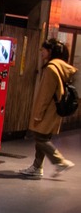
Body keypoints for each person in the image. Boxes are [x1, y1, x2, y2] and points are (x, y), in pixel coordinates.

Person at [19, 38, 77, 179]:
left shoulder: (51, 68)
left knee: (40, 138)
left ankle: (60, 161)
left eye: (43, 50)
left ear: (50, 51)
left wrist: (38, 114)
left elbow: (45, 95)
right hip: (54, 111)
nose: (41, 53)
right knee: (42, 137)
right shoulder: (62, 67)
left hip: (47, 111)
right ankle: (37, 167)